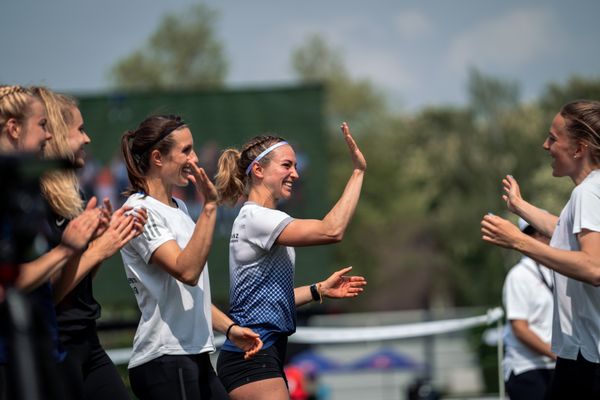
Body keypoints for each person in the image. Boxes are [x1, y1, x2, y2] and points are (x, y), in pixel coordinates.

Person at [214, 122, 368, 400]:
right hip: (253, 356)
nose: (295, 174)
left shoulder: (258, 219)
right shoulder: (257, 218)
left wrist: (318, 290)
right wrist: (358, 172)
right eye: (287, 165)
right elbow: (332, 230)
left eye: (295, 166)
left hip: (260, 354)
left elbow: (268, 297)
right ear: (259, 170)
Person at [119, 114, 262, 400]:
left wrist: (230, 329)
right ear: (158, 157)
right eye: (186, 150)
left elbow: (189, 293)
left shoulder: (180, 207)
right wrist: (210, 206)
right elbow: (186, 271)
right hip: (164, 359)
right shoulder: (138, 210)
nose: (194, 158)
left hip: (192, 355)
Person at [481, 100, 600, 399]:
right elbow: (563, 229)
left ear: (578, 148)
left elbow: (594, 267)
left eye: (553, 138)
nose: (545, 145)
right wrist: (520, 207)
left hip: (591, 357)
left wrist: (519, 242)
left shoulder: (588, 193)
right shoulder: (590, 192)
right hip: (581, 354)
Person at [33, 86, 146, 399]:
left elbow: (76, 282)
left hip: (87, 341)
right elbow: (48, 293)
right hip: (56, 347)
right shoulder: (34, 201)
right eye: (79, 130)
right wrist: (98, 248)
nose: (87, 139)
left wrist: (102, 247)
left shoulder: (73, 197)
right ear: (54, 135)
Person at [0, 85, 106, 399]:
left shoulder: (23, 190)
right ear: (14, 128)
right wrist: (69, 248)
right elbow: (14, 281)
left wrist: (92, 245)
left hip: (45, 348)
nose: (48, 136)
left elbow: (44, 282)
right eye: (43, 125)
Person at [502, 218, 555, 400]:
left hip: (556, 366)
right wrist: (555, 353)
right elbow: (520, 328)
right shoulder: (519, 276)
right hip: (527, 367)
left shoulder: (556, 269)